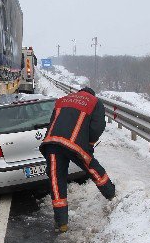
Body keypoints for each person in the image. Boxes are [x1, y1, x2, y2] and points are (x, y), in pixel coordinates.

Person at [39, 86, 115, 233]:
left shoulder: (62, 100)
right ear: (90, 94)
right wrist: (90, 144)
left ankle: (61, 223)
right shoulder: (94, 101)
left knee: (56, 181)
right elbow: (98, 126)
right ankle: (111, 194)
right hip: (75, 144)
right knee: (93, 168)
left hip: (53, 143)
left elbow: (55, 121)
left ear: (79, 92)